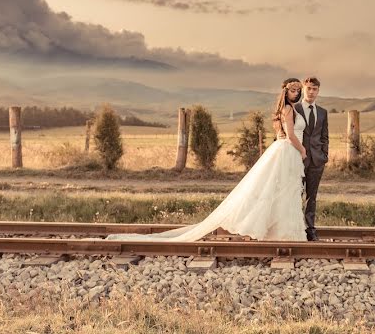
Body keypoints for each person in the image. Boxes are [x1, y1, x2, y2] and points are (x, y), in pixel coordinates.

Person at [105, 78, 308, 242]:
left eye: (298, 91)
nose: (296, 93)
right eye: (293, 90)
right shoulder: (288, 110)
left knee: (282, 190)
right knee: (282, 190)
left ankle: (279, 230)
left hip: (285, 150)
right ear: (285, 92)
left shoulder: (288, 109)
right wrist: (303, 150)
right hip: (288, 149)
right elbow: (290, 135)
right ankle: (281, 232)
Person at [295, 76, 329, 241]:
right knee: (295, 194)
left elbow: (325, 136)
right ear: (303, 89)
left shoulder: (322, 112)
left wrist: (324, 156)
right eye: (309, 88)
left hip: (317, 161)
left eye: (314, 89)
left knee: (311, 196)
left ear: (318, 91)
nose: (311, 92)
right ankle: (295, 227)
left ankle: (310, 229)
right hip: (297, 159)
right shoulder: (295, 109)